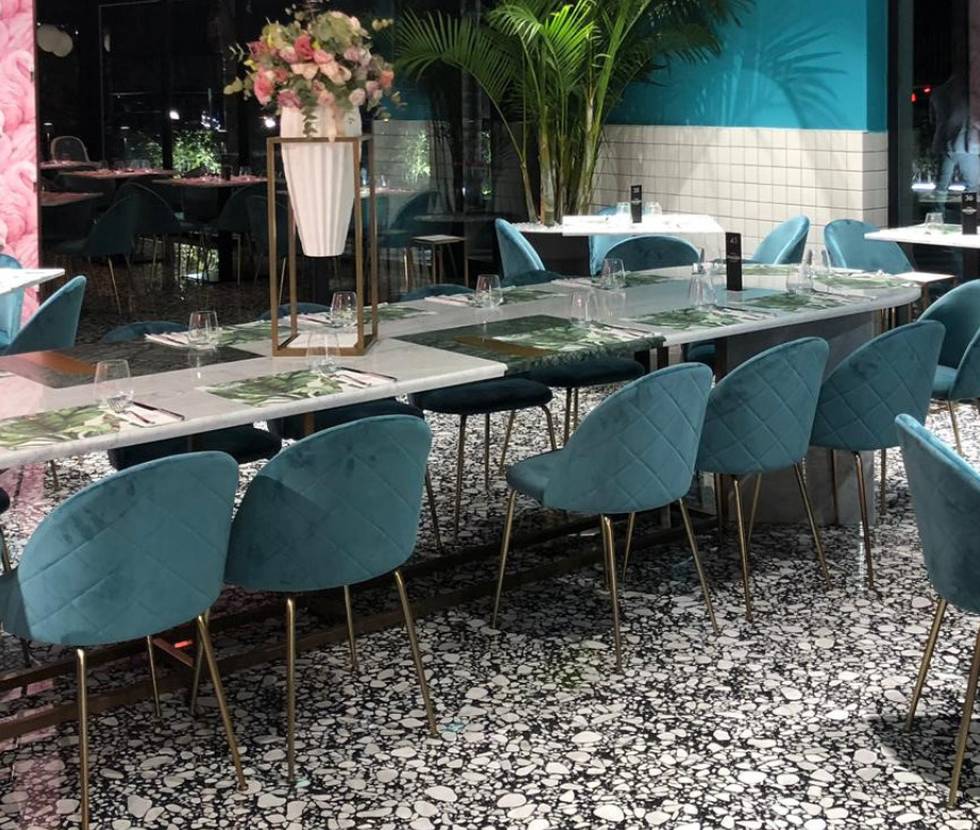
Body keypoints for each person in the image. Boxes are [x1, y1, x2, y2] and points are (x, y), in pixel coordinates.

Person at [931, 72, 980, 193]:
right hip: (965, 145)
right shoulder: (969, 94)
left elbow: (932, 120)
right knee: (974, 186)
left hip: (943, 144)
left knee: (941, 186)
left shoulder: (937, 92)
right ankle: (970, 207)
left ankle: (939, 205)